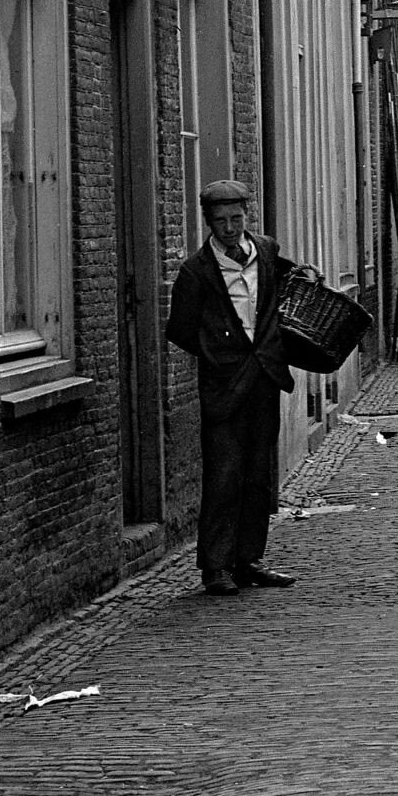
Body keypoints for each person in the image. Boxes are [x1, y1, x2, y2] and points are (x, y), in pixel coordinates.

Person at [164, 176, 298, 599]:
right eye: (220, 221)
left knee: (258, 474)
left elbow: (285, 282)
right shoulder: (196, 271)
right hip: (223, 387)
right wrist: (219, 353)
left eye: (236, 219)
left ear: (246, 216)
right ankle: (216, 566)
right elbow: (180, 330)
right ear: (208, 221)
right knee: (224, 474)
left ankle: (248, 559)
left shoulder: (267, 251)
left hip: (265, 378)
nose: (229, 228)